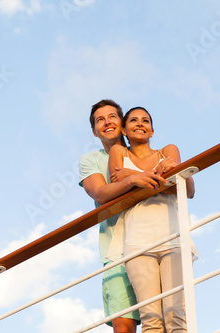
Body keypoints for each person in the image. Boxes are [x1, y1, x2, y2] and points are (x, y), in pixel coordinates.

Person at [107, 107, 198, 333]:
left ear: (152, 130)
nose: (140, 124)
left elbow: (186, 189)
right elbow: (116, 192)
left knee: (175, 314)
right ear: (125, 131)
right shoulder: (119, 152)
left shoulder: (168, 150)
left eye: (145, 121)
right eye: (134, 121)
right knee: (151, 318)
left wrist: (131, 177)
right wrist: (154, 179)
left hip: (174, 239)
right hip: (138, 244)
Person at [79, 100, 167, 333]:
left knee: (163, 319)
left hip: (153, 242)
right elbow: (100, 193)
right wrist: (131, 180)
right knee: (124, 325)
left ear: (124, 123)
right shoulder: (91, 160)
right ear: (94, 130)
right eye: (100, 120)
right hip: (116, 251)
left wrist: (133, 173)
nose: (107, 122)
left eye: (112, 117)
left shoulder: (144, 153)